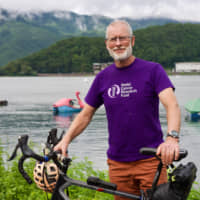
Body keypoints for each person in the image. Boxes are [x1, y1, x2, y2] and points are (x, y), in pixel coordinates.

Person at [54, 20, 181, 199]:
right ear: (107, 44)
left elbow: (172, 105)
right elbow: (86, 114)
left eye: (123, 38)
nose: (118, 43)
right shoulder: (103, 78)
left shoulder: (153, 70)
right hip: (118, 164)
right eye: (113, 39)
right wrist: (66, 139)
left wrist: (172, 138)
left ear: (132, 41)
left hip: (151, 162)